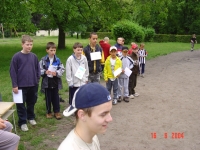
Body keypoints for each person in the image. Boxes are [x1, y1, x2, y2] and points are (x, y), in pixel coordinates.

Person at [58, 83, 113, 150]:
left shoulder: (93, 136)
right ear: (82, 115)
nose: (110, 119)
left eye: (109, 112)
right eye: (103, 114)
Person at [10, 35, 40, 131]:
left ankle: (31, 117)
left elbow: (37, 69)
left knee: (31, 102)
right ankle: (22, 122)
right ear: (22, 44)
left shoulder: (34, 56)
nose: (29, 46)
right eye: (27, 44)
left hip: (33, 84)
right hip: (20, 86)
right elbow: (13, 72)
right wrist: (15, 85)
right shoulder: (16, 57)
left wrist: (37, 80)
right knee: (20, 104)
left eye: (31, 44)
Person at [40, 42, 65, 119]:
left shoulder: (57, 60)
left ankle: (56, 112)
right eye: (51, 50)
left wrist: (57, 73)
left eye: (54, 50)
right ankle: (48, 112)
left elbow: (62, 69)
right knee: (48, 98)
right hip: (47, 82)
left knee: (56, 97)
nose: (53, 52)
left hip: (55, 81)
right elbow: (39, 69)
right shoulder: (43, 60)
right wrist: (44, 72)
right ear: (47, 50)